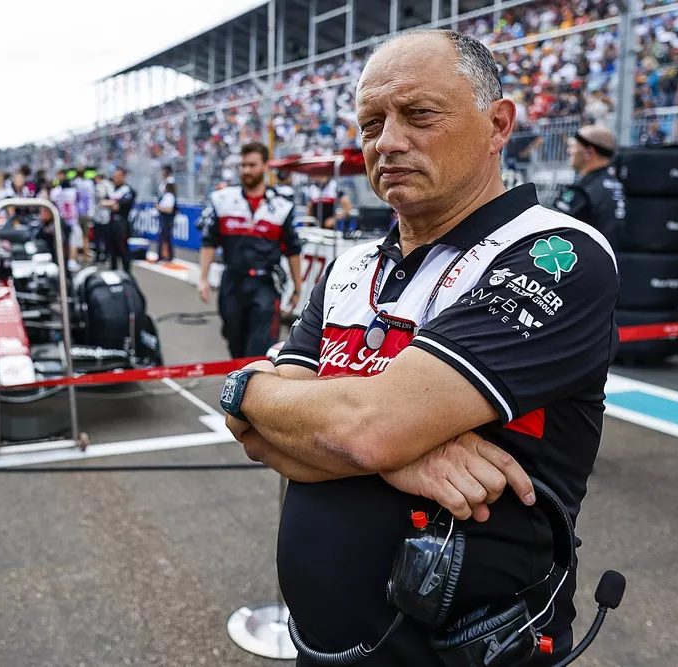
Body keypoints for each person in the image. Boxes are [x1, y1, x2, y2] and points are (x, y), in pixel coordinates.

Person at [217, 30, 619, 666]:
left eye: (420, 114)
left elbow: (365, 428)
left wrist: (271, 397)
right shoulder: (348, 268)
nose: (389, 141)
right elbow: (262, 437)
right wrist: (390, 452)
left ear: (498, 125)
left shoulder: (557, 253)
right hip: (321, 645)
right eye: (372, 122)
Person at [197, 142, 304, 359]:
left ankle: (254, 390)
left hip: (265, 285)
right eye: (243, 165)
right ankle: (241, 384)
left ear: (266, 166)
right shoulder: (223, 200)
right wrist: (203, 278)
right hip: (232, 282)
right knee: (234, 339)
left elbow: (293, 250)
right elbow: (209, 242)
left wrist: (297, 289)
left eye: (252, 165)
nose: (246, 170)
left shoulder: (282, 207)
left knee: (259, 347)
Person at [552, 125, 626, 250]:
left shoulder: (583, 190)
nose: (569, 151)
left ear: (589, 152)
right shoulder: (621, 185)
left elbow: (553, 233)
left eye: (574, 146)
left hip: (592, 264)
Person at [99, 167, 136, 272]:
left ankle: (127, 272)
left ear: (123, 177)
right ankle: (113, 271)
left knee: (123, 249)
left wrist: (112, 204)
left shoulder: (128, 190)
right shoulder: (112, 189)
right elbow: (103, 202)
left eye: (117, 176)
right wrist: (112, 204)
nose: (115, 179)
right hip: (111, 222)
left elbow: (118, 206)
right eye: (114, 177)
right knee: (112, 250)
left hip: (122, 223)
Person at [155, 181, 177, 263]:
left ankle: (162, 256)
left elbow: (169, 210)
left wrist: (159, 208)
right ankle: (168, 256)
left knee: (163, 237)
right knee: (166, 238)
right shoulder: (166, 196)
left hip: (167, 220)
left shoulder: (170, 196)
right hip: (164, 219)